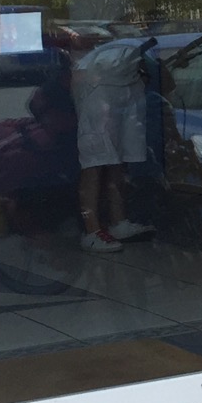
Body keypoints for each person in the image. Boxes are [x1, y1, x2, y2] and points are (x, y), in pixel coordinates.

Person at [70, 33, 154, 253]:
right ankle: (92, 231)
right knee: (94, 159)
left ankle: (119, 222)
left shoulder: (126, 37)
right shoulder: (91, 37)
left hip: (126, 83)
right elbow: (78, 60)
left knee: (119, 158)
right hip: (97, 86)